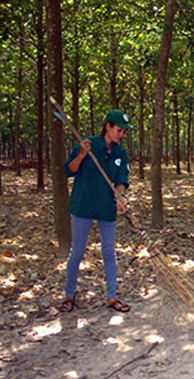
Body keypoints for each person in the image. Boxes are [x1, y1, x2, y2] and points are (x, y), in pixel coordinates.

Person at [59, 110, 134, 313]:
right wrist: (82, 154)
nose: (121, 135)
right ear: (108, 126)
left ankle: (112, 297)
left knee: (109, 252)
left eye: (124, 131)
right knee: (78, 252)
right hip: (83, 205)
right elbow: (69, 170)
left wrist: (120, 196)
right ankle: (69, 295)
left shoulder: (120, 153)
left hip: (105, 207)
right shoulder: (88, 145)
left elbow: (122, 181)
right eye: (119, 130)